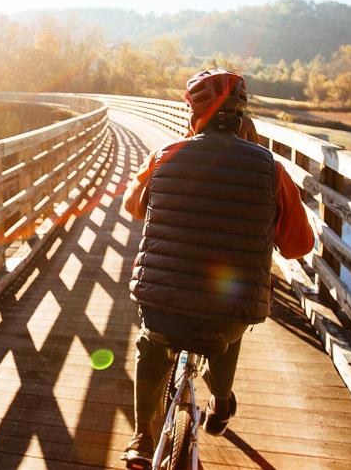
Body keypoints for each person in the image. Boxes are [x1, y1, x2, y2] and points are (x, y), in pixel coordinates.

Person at [121, 71, 315, 469]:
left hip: (162, 304)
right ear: (242, 115)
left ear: (194, 115)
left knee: (152, 344)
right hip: (229, 312)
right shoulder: (271, 170)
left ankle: (142, 437)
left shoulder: (165, 155)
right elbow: (299, 245)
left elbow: (133, 206)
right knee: (229, 320)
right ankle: (222, 402)